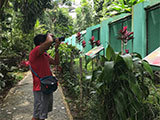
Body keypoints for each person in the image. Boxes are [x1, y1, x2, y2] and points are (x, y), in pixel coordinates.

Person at [29, 33, 60, 120]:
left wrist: (56, 49)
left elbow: (56, 62)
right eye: (45, 41)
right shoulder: (34, 52)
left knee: (43, 114)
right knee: (37, 115)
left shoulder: (44, 55)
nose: (49, 44)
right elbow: (49, 41)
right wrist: (48, 35)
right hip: (40, 88)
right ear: (41, 43)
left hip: (47, 86)